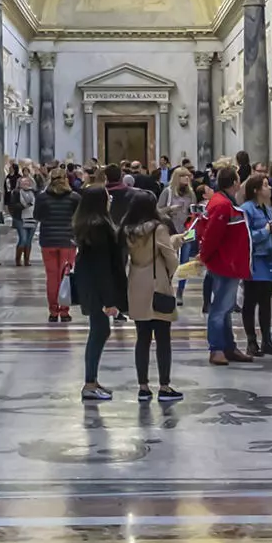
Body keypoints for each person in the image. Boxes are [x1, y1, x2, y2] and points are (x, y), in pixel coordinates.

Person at [122, 190, 182, 402]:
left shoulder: (128, 230)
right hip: (157, 283)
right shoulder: (158, 228)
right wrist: (170, 273)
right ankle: (164, 386)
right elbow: (170, 257)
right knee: (163, 337)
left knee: (142, 337)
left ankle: (143, 386)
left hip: (136, 281)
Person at [73, 183, 127, 400]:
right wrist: (109, 300)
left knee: (100, 331)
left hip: (90, 286)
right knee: (98, 332)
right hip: (97, 289)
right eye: (107, 197)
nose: (110, 200)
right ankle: (89, 383)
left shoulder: (87, 224)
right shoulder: (99, 227)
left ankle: (92, 380)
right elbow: (103, 266)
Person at [199, 163, 253, 365]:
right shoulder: (222, 205)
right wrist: (205, 257)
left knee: (226, 307)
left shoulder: (225, 202)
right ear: (234, 183)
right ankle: (216, 349)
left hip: (229, 262)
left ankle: (228, 347)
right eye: (238, 179)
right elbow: (212, 235)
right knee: (220, 308)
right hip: (224, 263)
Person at [240, 172, 272, 356]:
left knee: (266, 302)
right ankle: (251, 341)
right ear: (256, 189)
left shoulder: (267, 209)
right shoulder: (247, 209)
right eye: (266, 185)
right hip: (255, 260)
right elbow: (245, 236)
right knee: (250, 301)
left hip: (269, 258)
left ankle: (267, 340)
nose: (269, 188)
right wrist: (264, 231)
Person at [35, 164, 79, 321]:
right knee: (65, 276)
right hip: (68, 240)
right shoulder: (74, 197)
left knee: (52, 277)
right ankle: (65, 311)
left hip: (48, 240)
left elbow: (37, 216)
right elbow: (78, 218)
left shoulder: (42, 197)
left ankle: (53, 312)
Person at [158, 164, 196, 237]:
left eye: (188, 176)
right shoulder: (167, 192)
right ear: (177, 178)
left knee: (188, 248)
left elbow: (194, 213)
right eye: (183, 176)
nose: (186, 178)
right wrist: (170, 208)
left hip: (187, 230)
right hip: (170, 230)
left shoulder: (191, 193)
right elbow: (158, 211)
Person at [14, 169, 37, 265]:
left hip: (33, 218)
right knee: (23, 239)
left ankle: (27, 260)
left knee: (29, 240)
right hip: (20, 218)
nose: (26, 184)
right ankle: (18, 259)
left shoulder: (34, 193)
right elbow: (13, 206)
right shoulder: (16, 193)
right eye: (23, 182)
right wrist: (24, 205)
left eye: (27, 182)